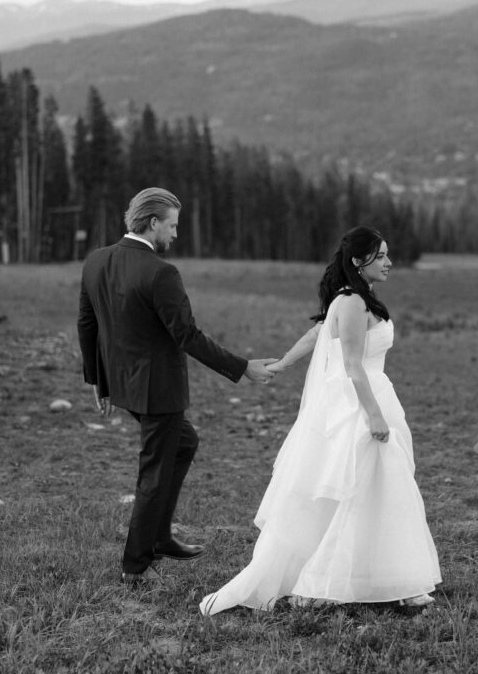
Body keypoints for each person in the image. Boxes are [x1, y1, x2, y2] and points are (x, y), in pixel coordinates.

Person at [199, 226, 440, 616]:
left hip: (376, 395)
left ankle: (387, 578)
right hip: (362, 405)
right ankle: (345, 581)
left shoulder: (359, 297)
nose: (389, 262)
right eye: (381, 256)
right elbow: (351, 366)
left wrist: (281, 363)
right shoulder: (351, 302)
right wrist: (374, 417)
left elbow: (317, 333)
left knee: (381, 489)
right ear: (359, 261)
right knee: (366, 488)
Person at [77, 187, 276, 587]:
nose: (175, 234)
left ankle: (161, 535)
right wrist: (243, 367)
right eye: (172, 226)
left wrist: (97, 381)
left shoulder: (96, 260)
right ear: (153, 224)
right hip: (157, 391)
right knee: (154, 471)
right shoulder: (160, 272)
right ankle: (135, 564)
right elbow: (187, 336)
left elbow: (87, 323)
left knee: (184, 443)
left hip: (122, 384)